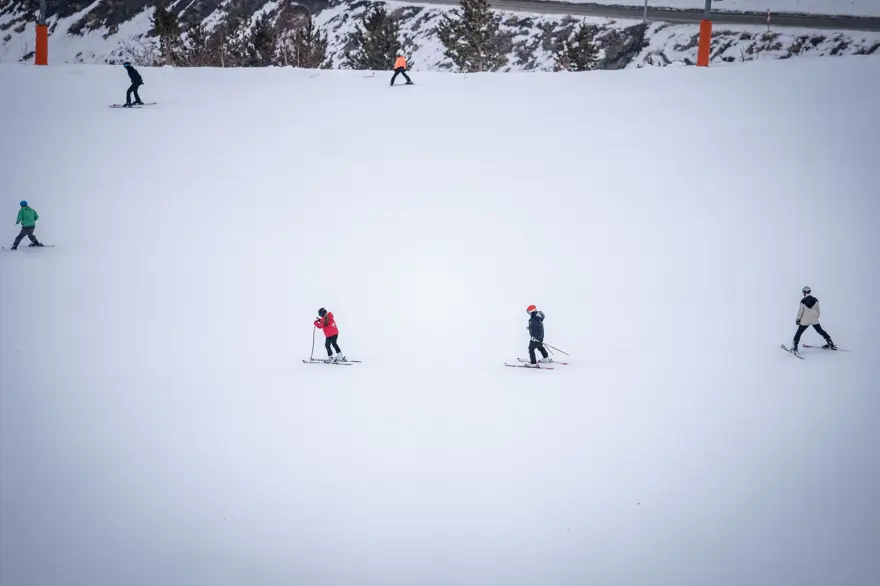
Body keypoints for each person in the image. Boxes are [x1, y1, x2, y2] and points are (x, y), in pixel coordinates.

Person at [792, 286, 836, 352]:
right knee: (821, 331)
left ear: (805, 292)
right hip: (814, 320)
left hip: (805, 320)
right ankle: (830, 343)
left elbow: (800, 311)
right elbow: (818, 311)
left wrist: (798, 319)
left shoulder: (803, 301)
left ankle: (795, 347)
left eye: (803, 292)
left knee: (798, 333)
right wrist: (816, 317)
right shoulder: (816, 300)